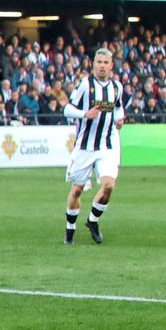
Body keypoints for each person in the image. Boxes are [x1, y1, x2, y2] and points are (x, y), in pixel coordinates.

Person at [63, 47, 124, 244]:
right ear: (93, 65)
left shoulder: (117, 87)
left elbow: (118, 109)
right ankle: (70, 230)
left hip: (107, 146)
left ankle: (93, 221)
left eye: (106, 63)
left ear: (111, 65)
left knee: (108, 186)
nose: (102, 66)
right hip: (85, 146)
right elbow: (67, 109)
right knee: (77, 190)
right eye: (99, 62)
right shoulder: (84, 85)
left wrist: (120, 119)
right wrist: (84, 114)